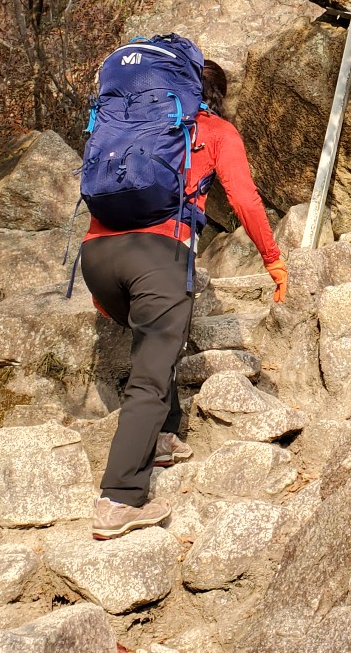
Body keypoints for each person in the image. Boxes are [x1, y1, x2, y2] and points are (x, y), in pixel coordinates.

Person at [80, 58, 287, 539]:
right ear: (213, 94)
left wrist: (102, 289)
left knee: (156, 339)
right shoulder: (214, 131)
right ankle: (119, 500)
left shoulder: (127, 124)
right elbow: (244, 200)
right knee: (150, 374)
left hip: (96, 257)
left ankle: (165, 436)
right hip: (157, 256)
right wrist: (273, 259)